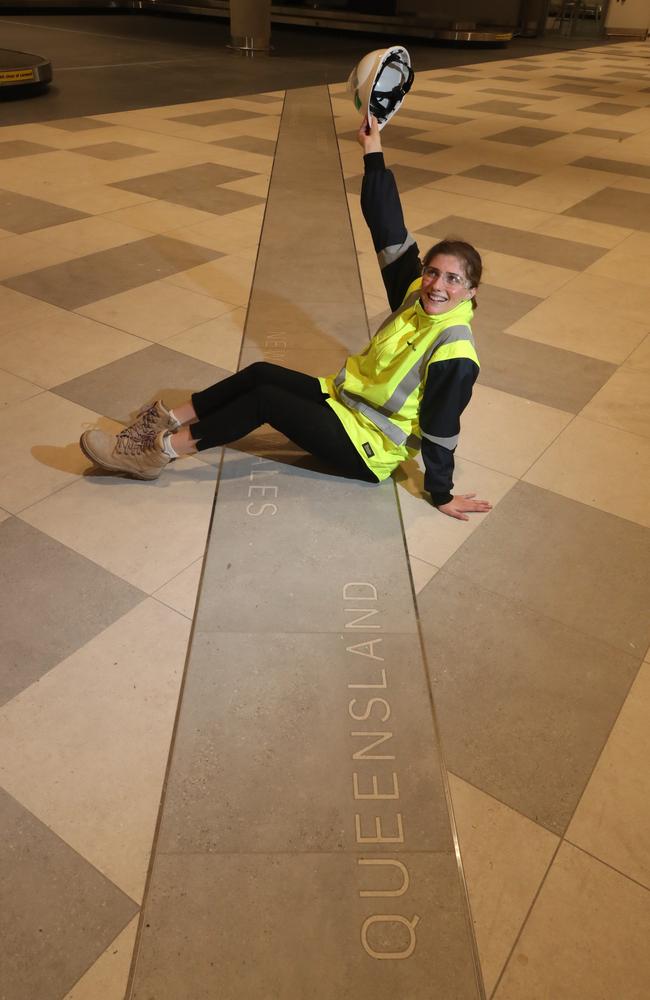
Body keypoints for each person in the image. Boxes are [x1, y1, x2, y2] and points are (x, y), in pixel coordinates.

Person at [80, 114, 491, 522]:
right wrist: (373, 150)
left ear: (471, 292)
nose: (438, 284)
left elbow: (441, 426)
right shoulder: (414, 296)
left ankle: (157, 454)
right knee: (260, 373)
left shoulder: (454, 349)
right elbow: (388, 227)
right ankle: (163, 421)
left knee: (266, 401)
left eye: (453, 280)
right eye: (433, 272)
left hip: (370, 446)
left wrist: (441, 493)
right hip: (343, 402)